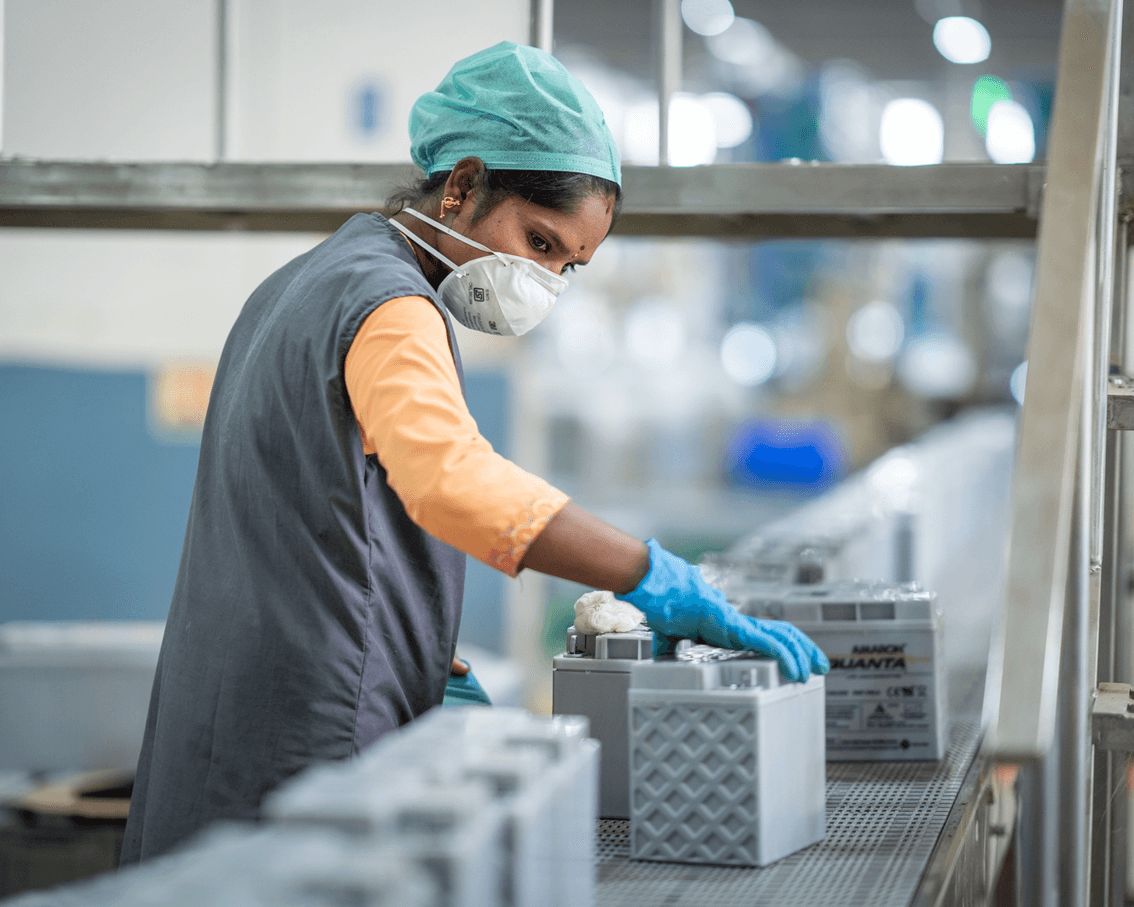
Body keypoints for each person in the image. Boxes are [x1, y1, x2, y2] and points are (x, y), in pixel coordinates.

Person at [121, 41, 829, 865]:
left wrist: (418, 646)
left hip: (225, 709)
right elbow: (451, 481)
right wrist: (650, 574)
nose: (545, 282)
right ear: (461, 185)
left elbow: (316, 513)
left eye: (568, 265)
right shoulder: (392, 307)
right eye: (537, 241)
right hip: (311, 732)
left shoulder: (300, 284)